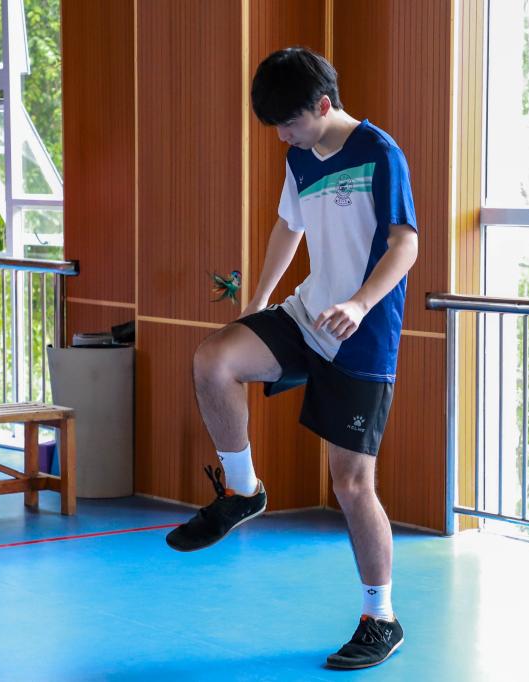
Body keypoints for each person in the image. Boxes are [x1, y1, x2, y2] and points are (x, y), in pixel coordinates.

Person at [166, 47, 418, 670]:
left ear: (323, 105)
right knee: (213, 358)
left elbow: (405, 245)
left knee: (351, 484)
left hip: (361, 332)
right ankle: (243, 490)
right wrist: (257, 303)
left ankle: (381, 618)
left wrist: (359, 303)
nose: (283, 135)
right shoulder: (300, 157)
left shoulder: (379, 153)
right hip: (308, 315)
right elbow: (289, 226)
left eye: (290, 123)